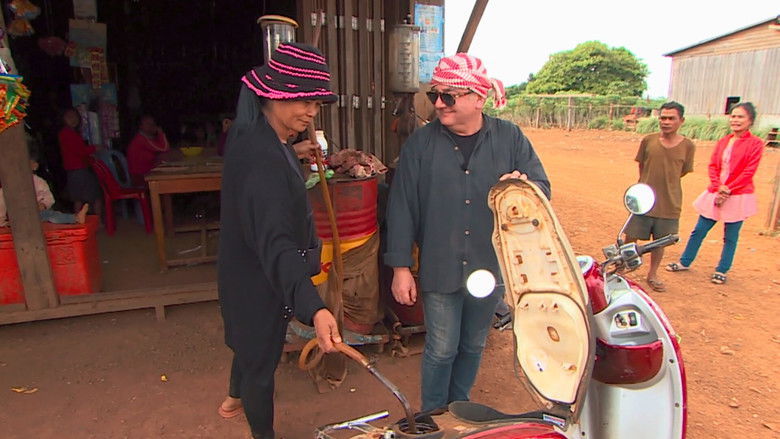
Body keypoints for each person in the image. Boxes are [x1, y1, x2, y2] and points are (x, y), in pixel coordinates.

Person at [384, 53, 551, 412]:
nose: (439, 104)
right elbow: (401, 207)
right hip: (440, 264)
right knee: (441, 348)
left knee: (473, 345)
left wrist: (522, 187)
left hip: (488, 265)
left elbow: (542, 188)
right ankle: (432, 416)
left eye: (449, 96)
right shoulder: (420, 145)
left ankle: (458, 410)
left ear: (478, 98)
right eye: (435, 95)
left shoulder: (510, 138)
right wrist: (400, 268)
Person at [216, 42, 341, 439]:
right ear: (274, 96)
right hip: (258, 279)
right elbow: (276, 245)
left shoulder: (258, 135)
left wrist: (294, 150)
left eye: (316, 103)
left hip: (250, 271)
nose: (311, 111)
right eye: (304, 101)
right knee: (260, 363)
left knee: (249, 343)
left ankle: (232, 399)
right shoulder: (262, 160)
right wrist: (314, 308)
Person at [666, 102, 764, 285]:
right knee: (699, 230)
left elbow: (749, 172)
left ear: (750, 120)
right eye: (733, 116)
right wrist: (719, 186)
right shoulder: (724, 141)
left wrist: (728, 189)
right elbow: (713, 166)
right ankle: (684, 262)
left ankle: (722, 270)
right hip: (716, 191)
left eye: (740, 117)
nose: (735, 120)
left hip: (738, 195)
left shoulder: (756, 144)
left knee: (731, 236)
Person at [623, 102, 695, 292]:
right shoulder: (648, 141)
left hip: (670, 202)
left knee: (660, 241)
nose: (666, 122)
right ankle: (622, 269)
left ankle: (652, 274)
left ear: (681, 121)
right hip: (643, 200)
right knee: (631, 236)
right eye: (663, 118)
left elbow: (682, 171)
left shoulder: (688, 146)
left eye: (671, 118)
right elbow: (642, 166)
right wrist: (645, 187)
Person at [0, 158, 88, 227]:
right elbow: (2, 202)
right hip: (18, 217)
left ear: (34, 166)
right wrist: (2, 221)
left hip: (38, 213)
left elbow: (48, 197)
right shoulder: (9, 184)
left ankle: (76, 218)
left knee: (51, 216)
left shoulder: (39, 181)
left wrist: (43, 205)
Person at [58, 108, 101, 215]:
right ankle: (97, 220)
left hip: (76, 169)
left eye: (75, 116)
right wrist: (94, 148)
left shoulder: (70, 133)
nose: (73, 119)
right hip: (79, 170)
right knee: (93, 197)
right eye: (69, 117)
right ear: (63, 119)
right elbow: (80, 151)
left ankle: (81, 220)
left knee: (79, 199)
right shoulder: (67, 134)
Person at [127, 115, 169, 186]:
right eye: (148, 123)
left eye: (153, 123)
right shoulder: (140, 139)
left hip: (146, 173)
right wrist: (161, 133)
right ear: (140, 126)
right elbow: (164, 148)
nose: (152, 126)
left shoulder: (147, 138)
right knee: (168, 182)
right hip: (140, 177)